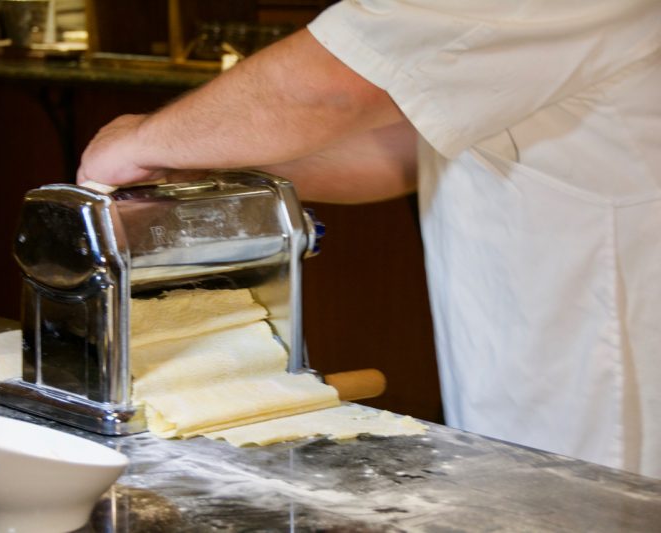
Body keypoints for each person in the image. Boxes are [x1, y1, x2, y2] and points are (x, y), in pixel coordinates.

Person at [77, 0, 661, 479]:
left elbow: (335, 87)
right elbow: (409, 150)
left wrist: (144, 140)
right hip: (528, 333)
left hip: (604, 345)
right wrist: (186, 168)